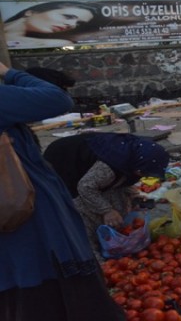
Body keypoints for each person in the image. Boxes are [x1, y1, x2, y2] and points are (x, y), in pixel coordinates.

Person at [0, 62, 125, 320]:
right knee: (51, 285)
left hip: (11, 221)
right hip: (28, 215)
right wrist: (8, 73)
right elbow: (57, 99)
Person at [43, 133, 170, 247]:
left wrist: (134, 195)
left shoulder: (132, 158)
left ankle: (109, 236)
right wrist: (107, 211)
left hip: (90, 167)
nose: (142, 175)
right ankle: (90, 248)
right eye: (142, 171)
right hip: (65, 161)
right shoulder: (109, 166)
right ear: (139, 163)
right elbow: (85, 187)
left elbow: (123, 179)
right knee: (84, 210)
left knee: (119, 203)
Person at [3, 1, 99, 49]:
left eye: (78, 23)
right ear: (30, 12)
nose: (72, 24)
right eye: (68, 16)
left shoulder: (58, 43)